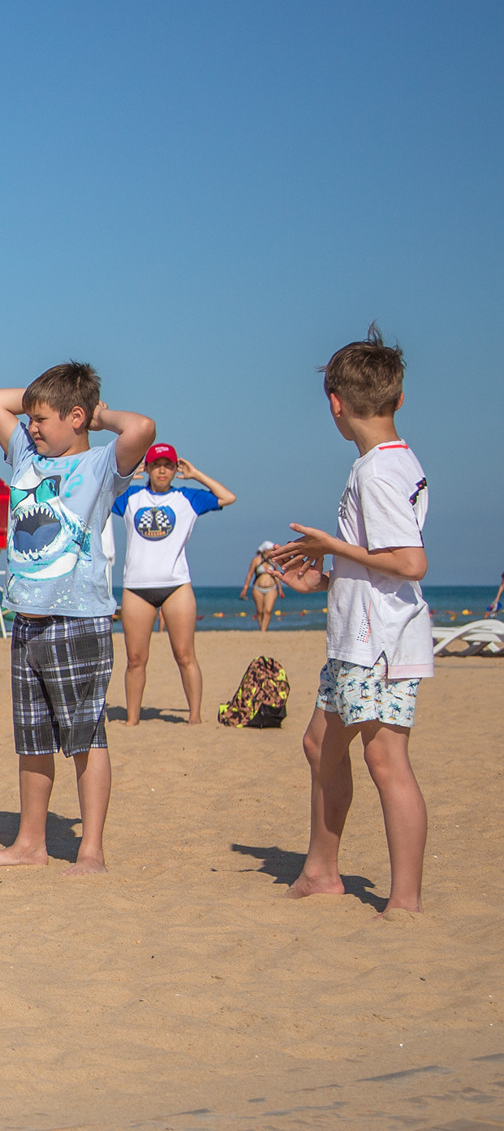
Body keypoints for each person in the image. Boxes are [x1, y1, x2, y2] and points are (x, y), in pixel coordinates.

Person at [0, 365, 154, 875]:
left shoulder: (99, 465)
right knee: (32, 738)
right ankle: (30, 843)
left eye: (42, 419)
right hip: (27, 621)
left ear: (76, 417)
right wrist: (42, 402)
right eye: (28, 419)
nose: (30, 427)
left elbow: (141, 428)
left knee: (85, 737)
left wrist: (97, 412)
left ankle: (90, 848)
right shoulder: (27, 454)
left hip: (79, 620)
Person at [271, 326, 429, 916]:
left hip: (378, 643)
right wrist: (326, 575)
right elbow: (384, 558)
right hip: (359, 636)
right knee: (319, 745)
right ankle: (320, 871)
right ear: (399, 397)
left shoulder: (377, 471)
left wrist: (333, 546)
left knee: (387, 762)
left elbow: (410, 562)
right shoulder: (389, 461)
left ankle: (405, 901)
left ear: (335, 403)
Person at [112, 444, 236, 724]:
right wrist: (130, 475)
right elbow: (100, 491)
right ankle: (132, 720)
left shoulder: (187, 498)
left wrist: (196, 475)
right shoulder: (131, 497)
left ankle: (194, 717)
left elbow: (228, 497)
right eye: (157, 465)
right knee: (135, 659)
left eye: (168, 465)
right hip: (136, 588)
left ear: (175, 469)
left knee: (184, 655)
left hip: (176, 587)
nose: (163, 470)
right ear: (148, 468)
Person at [240, 541, 284, 633]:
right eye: (270, 550)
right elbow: (249, 575)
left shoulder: (274, 561)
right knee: (260, 611)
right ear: (265, 550)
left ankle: (264, 631)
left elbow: (277, 576)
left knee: (268, 610)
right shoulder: (256, 560)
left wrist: (280, 589)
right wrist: (245, 588)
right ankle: (261, 629)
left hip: (271, 588)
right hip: (257, 588)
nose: (272, 552)